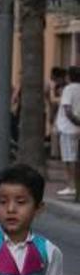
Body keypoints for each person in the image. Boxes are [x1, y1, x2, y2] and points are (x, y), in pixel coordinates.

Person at [55, 66, 80, 197]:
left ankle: (71, 186)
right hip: (76, 130)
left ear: (69, 77)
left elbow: (67, 109)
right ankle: (74, 185)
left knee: (69, 159)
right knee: (74, 158)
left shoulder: (68, 89)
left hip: (67, 128)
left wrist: (76, 122)